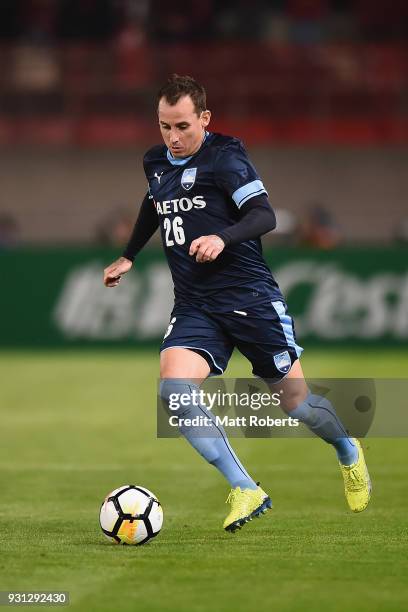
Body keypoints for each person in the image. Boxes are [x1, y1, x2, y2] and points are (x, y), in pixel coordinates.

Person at [104, 74, 371, 533]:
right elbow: (154, 203)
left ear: (204, 118)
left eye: (183, 126)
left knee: (298, 405)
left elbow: (264, 214)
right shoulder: (155, 162)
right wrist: (129, 254)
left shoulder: (226, 157)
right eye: (164, 126)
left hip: (250, 299)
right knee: (173, 391)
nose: (173, 136)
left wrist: (221, 238)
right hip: (195, 305)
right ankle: (245, 487)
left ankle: (347, 449)